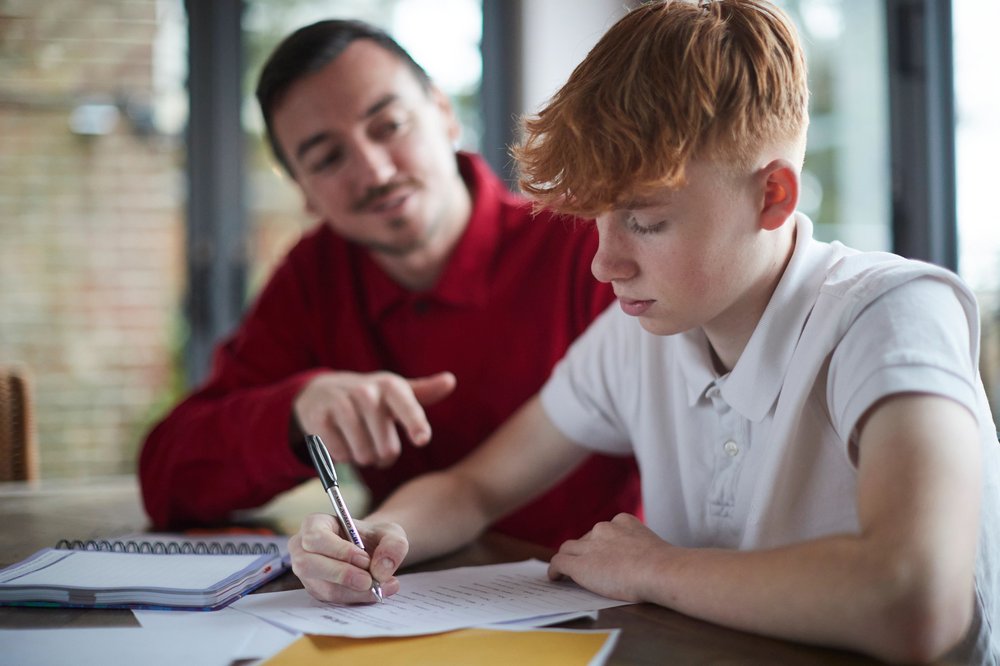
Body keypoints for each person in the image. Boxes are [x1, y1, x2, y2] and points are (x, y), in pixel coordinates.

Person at [287, 1, 1000, 663]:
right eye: (596, 218)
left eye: (647, 221)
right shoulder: (640, 337)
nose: (604, 261)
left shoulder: (892, 313)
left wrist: (654, 568)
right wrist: (379, 535)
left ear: (772, 195)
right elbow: (475, 489)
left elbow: (916, 603)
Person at [137, 19, 641, 550]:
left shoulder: (587, 247)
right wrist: (296, 413)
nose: (375, 171)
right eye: (329, 158)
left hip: (598, 602)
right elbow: (168, 477)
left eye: (389, 126)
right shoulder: (314, 280)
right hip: (398, 592)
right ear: (305, 193)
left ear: (444, 115)